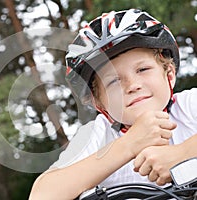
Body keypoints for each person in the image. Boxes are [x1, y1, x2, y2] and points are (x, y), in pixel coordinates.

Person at [29, 8, 197, 200]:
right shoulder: (97, 134)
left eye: (142, 69)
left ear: (169, 74)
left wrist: (182, 153)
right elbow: (42, 195)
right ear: (98, 102)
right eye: (113, 82)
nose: (132, 85)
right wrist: (128, 144)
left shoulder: (190, 106)